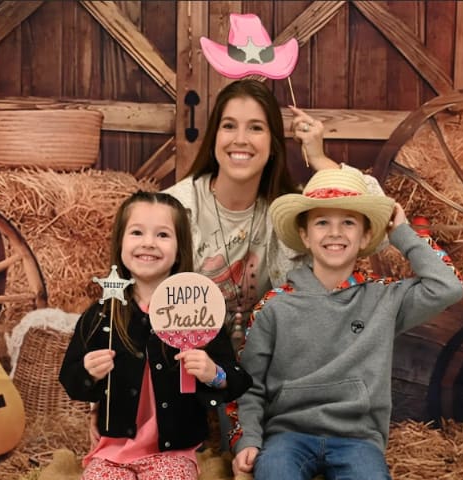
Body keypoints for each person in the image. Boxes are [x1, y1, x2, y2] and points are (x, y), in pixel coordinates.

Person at [91, 78, 382, 445]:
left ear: (273, 144)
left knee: (280, 444)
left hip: (268, 366)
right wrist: (108, 397)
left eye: (255, 128)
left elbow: (380, 221)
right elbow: (131, 297)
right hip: (187, 367)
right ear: (215, 137)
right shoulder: (176, 209)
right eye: (229, 126)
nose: (240, 140)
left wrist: (320, 158)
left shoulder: (290, 212)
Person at [231, 167, 463, 480]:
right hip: (289, 434)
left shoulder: (384, 297)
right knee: (273, 479)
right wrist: (248, 438)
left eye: (349, 223)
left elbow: (447, 287)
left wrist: (402, 233)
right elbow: (249, 384)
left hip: (357, 437)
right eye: (322, 222)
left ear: (365, 235)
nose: (335, 233)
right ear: (305, 235)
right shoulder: (275, 306)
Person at [59, 191, 252, 480]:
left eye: (162, 234)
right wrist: (89, 373)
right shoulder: (101, 314)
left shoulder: (198, 313)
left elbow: (237, 380)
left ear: (180, 249)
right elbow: (70, 378)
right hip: (113, 452)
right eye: (137, 232)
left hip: (171, 452)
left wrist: (213, 372)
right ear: (120, 242)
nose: (148, 243)